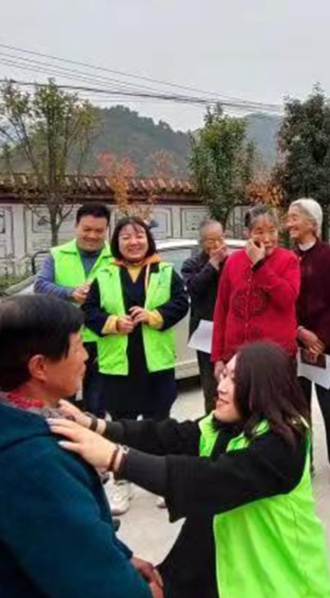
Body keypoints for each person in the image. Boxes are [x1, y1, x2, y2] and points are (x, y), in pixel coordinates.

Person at [49, 341, 330, 598]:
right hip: (235, 589)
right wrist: (97, 425)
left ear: (261, 388)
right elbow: (169, 436)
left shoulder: (284, 442)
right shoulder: (225, 425)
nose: (221, 386)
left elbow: (207, 480)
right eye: (224, 374)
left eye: (235, 380)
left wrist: (116, 458)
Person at [0, 294, 168, 598]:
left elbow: (70, 539)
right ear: (40, 367)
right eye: (78, 346)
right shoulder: (34, 463)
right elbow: (96, 590)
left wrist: (122, 557)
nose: (86, 356)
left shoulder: (10, 420)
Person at [83, 216, 190, 515]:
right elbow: (88, 312)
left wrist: (154, 316)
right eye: (126, 237)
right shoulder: (104, 274)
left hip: (156, 363)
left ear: (148, 239)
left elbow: (181, 303)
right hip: (118, 366)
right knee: (121, 426)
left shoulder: (164, 271)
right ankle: (122, 483)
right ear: (116, 242)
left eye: (139, 235)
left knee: (159, 424)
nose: (133, 242)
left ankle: (162, 481)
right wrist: (113, 323)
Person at [286, 199, 330, 489]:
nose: (288, 223)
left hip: (327, 346)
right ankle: (305, 460)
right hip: (295, 344)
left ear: (312, 223)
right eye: (288, 217)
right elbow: (282, 302)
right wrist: (300, 332)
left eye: (295, 218)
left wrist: (321, 339)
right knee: (299, 409)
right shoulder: (286, 257)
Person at [35, 203, 113, 415]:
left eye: (99, 231)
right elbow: (40, 285)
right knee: (61, 402)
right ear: (76, 226)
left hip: (103, 341)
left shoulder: (116, 257)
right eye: (87, 229)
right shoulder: (58, 254)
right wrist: (70, 292)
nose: (92, 235)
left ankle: (92, 436)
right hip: (65, 339)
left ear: (106, 230)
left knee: (96, 405)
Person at [212, 205, 301, 371]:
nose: (267, 238)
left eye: (272, 231)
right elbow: (221, 309)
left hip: (275, 357)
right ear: (248, 234)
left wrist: (260, 265)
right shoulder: (233, 261)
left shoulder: (288, 259)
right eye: (259, 232)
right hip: (237, 355)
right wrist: (218, 357)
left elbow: (286, 298)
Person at [180, 219, 229, 413]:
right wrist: (213, 264)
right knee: (211, 387)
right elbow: (194, 289)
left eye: (220, 239)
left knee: (234, 383)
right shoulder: (191, 264)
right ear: (201, 242)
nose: (216, 245)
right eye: (211, 240)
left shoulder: (232, 262)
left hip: (230, 330)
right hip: (205, 333)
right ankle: (212, 422)